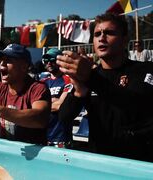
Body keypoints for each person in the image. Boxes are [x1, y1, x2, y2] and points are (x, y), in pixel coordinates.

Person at [56, 13, 153, 162]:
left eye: (109, 33)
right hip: (100, 162)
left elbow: (136, 106)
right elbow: (63, 118)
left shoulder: (145, 70)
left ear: (125, 39)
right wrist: (79, 92)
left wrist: (90, 78)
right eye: (97, 34)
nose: (102, 38)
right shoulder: (89, 76)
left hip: (139, 163)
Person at [40, 48, 73, 147]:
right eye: (46, 60)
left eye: (52, 60)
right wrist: (54, 101)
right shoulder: (42, 82)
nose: (49, 63)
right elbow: (32, 105)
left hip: (61, 137)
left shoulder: (68, 80)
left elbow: (60, 105)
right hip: (42, 136)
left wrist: (43, 105)